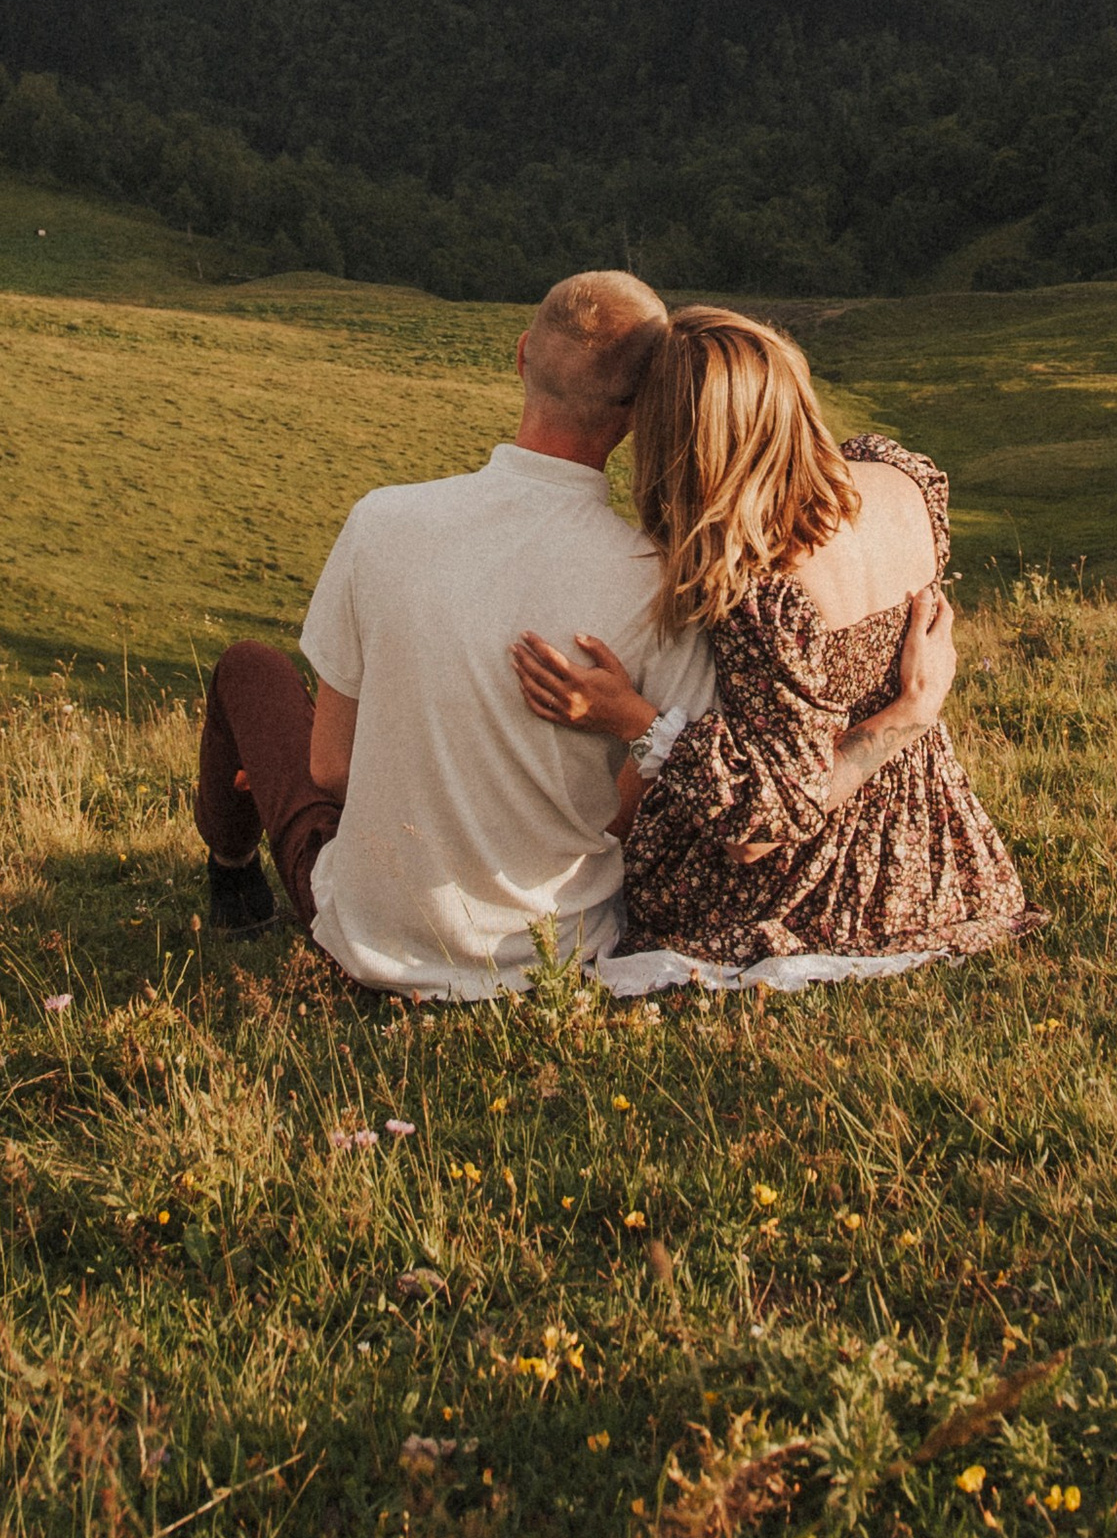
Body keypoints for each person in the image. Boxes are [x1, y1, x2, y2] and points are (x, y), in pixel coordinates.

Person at [192, 270, 716, 995]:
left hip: (375, 936)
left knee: (249, 668)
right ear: (635, 412)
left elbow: (332, 769)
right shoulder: (664, 583)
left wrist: (421, 784)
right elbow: (645, 801)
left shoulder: (383, 521)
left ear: (522, 355)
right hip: (556, 950)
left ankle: (231, 874)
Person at [513, 304, 1030, 963]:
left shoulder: (763, 586)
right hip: (944, 865)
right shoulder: (900, 480)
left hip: (819, 891)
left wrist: (634, 720)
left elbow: (758, 829)